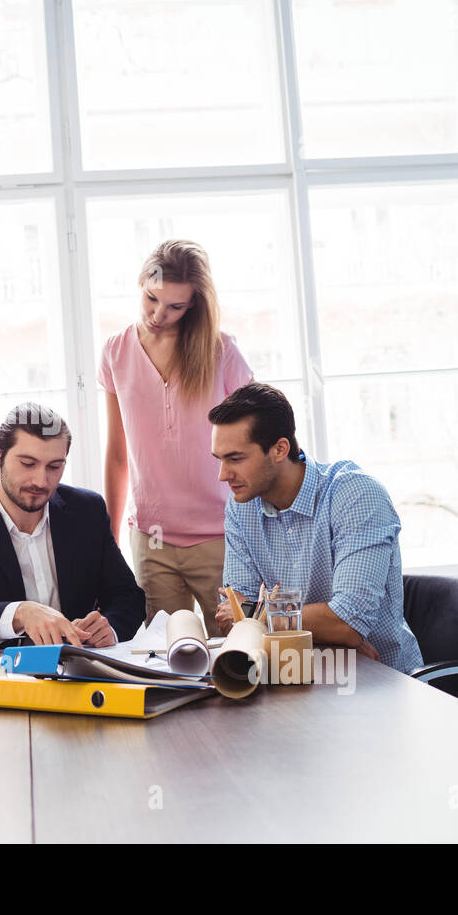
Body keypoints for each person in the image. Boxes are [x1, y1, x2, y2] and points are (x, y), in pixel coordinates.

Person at [208, 383, 423, 673]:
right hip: (297, 675)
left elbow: (346, 624)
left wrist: (256, 616)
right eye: (219, 459)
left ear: (279, 449)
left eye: (235, 458)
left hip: (380, 683)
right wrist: (326, 633)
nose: (223, 475)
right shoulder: (241, 506)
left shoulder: (356, 495)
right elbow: (231, 615)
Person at [99, 239, 253, 634]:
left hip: (221, 537)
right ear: (141, 284)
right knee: (171, 661)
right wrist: (108, 542)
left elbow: (255, 446)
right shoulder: (115, 352)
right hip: (152, 542)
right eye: (152, 298)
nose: (158, 314)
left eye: (175, 306)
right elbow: (118, 454)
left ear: (194, 306)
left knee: (237, 655)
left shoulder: (222, 352)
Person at [0, 403, 145, 651]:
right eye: (28, 463)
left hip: (80, 671)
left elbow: (128, 596)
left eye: (55, 466)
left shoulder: (87, 510)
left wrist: (111, 627)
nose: (41, 481)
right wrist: (19, 613)